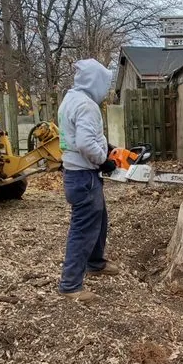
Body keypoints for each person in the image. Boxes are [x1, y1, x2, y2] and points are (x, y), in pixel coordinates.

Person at [57, 59, 120, 301]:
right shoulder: (87, 106)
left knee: (100, 218)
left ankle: (95, 262)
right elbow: (84, 143)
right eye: (104, 83)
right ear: (96, 82)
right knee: (82, 229)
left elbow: (80, 137)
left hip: (77, 174)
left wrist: (106, 146)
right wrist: (103, 159)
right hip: (84, 176)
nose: (105, 90)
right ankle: (70, 285)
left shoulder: (71, 99)